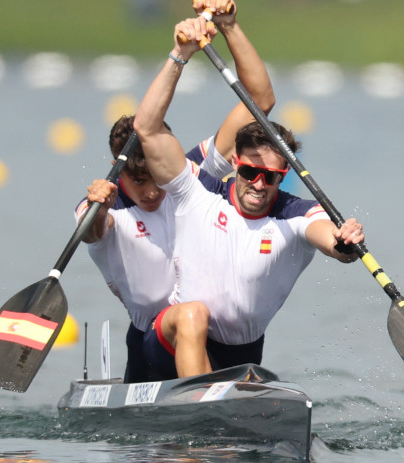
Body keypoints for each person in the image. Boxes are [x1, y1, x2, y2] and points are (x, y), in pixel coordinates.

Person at [133, 15, 366, 380]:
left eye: (271, 177)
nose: (258, 184)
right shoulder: (196, 189)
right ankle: (204, 412)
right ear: (234, 164)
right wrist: (180, 53)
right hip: (171, 340)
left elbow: (331, 241)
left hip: (240, 356)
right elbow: (146, 128)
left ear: (284, 175)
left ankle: (214, 405)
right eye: (249, 172)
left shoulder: (296, 215)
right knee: (194, 314)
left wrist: (345, 242)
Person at [77, 0, 275, 383]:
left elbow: (260, 103)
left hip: (221, 341)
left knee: (198, 315)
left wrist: (230, 26)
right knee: (191, 313)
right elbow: (90, 231)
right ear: (120, 180)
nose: (153, 192)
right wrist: (97, 208)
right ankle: (202, 409)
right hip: (155, 346)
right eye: (138, 183)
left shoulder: (188, 178)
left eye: (156, 178)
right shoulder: (107, 205)